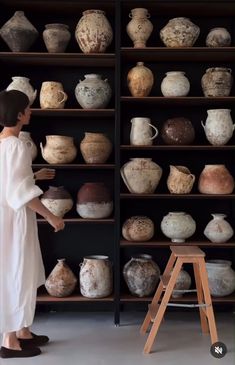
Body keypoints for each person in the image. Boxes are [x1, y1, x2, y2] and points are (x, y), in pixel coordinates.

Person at [0, 90, 65, 358]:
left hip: (6, 217)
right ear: (18, 114)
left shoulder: (3, 144)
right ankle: (9, 341)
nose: (31, 111)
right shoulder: (17, 146)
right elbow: (19, 192)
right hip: (15, 219)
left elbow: (9, 181)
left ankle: (23, 331)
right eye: (27, 108)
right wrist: (51, 215)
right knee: (17, 272)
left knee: (17, 271)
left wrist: (32, 175)